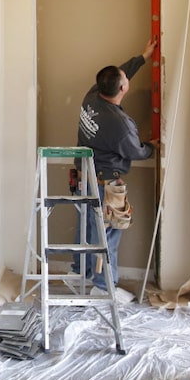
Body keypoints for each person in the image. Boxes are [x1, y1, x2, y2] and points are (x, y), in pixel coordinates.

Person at [72, 38, 159, 302]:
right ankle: (103, 285)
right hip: (104, 182)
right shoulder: (120, 125)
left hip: (84, 175)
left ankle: (82, 273)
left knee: (87, 228)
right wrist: (152, 147)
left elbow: (120, 71)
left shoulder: (92, 96)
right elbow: (136, 151)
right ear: (123, 88)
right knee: (108, 231)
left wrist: (142, 57)